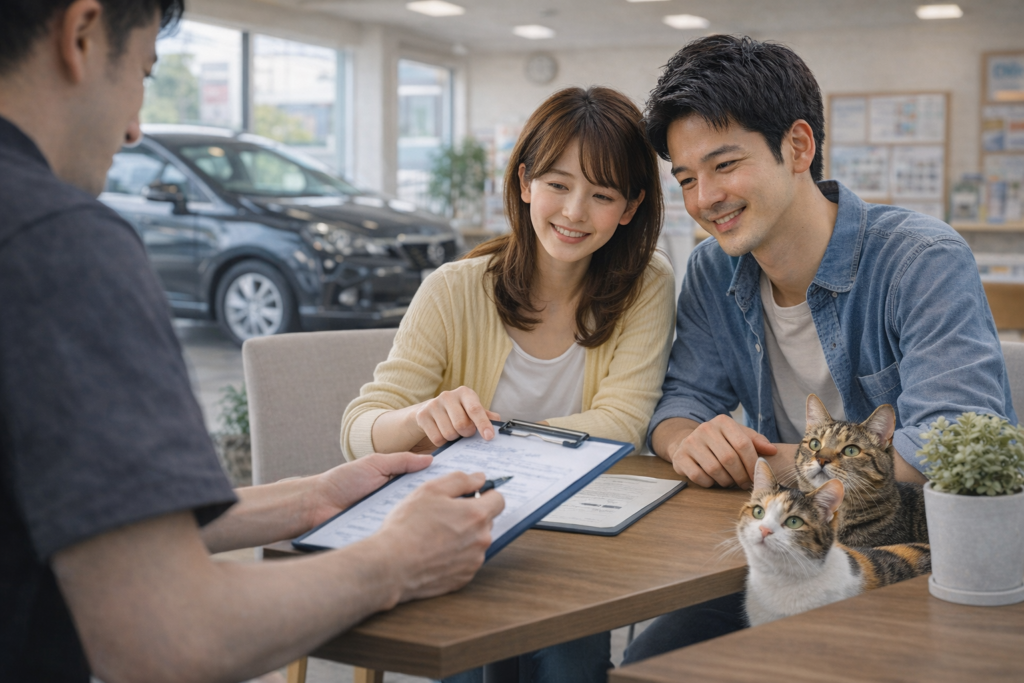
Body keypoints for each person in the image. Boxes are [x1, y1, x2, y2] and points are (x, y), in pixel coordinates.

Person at [0, 2, 505, 681]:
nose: (133, 127)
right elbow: (169, 634)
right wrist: (396, 560)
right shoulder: (59, 242)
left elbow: (73, 507)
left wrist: (311, 499)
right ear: (82, 33)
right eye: (144, 75)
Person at [623, 34, 1016, 663]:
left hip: (913, 567)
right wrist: (685, 439)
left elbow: (959, 438)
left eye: (725, 166)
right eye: (687, 178)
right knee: (651, 663)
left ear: (798, 146)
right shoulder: (708, 271)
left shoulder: (921, 259)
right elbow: (681, 404)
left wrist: (778, 467)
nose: (703, 200)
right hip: (789, 554)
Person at [342, 86, 676, 682]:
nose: (574, 212)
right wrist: (420, 419)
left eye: (601, 195)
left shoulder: (646, 285)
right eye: (557, 184)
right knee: (475, 656)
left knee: (570, 658)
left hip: (576, 540)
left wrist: (477, 438)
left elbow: (621, 426)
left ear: (629, 208)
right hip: (465, 532)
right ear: (524, 183)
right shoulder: (454, 288)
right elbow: (361, 430)